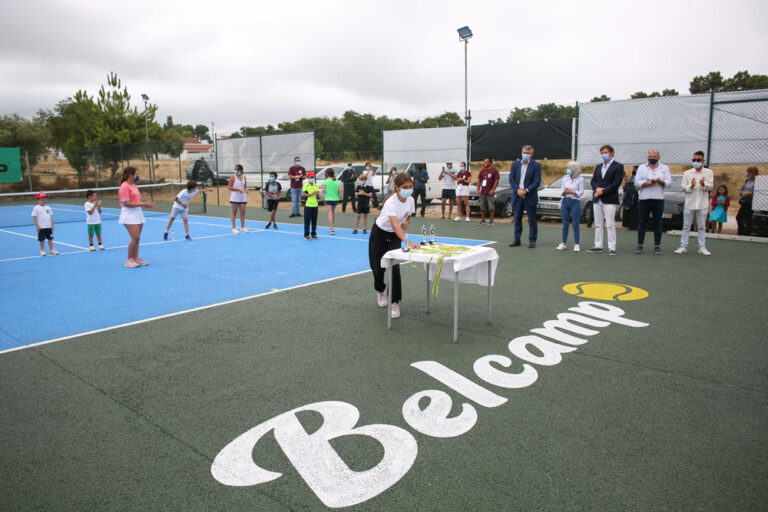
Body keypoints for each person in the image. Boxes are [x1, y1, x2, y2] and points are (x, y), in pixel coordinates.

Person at [369, 173, 420, 319]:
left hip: (394, 236)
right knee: (378, 268)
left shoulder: (411, 200)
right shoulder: (390, 202)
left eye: (410, 187)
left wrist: (407, 222)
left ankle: (394, 302)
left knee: (394, 267)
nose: (408, 190)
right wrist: (408, 241)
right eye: (405, 187)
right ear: (397, 188)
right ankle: (380, 291)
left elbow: (407, 216)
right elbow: (394, 225)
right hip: (379, 233)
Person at [588, 145, 624, 256]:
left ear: (612, 153)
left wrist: (603, 191)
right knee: (598, 224)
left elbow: (616, 183)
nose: (604, 154)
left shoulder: (618, 166)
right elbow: (593, 181)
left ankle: (612, 247)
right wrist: (597, 189)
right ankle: (598, 245)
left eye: (606, 152)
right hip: (597, 199)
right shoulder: (598, 166)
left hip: (609, 199)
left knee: (610, 224)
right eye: (602, 153)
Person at [675, 151, 713, 256]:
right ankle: (683, 246)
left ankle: (702, 247)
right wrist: (691, 186)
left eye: (698, 160)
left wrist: (703, 184)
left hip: (702, 203)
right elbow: (683, 188)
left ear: (703, 161)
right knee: (686, 226)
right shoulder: (687, 173)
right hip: (689, 203)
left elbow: (710, 187)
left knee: (701, 226)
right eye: (694, 160)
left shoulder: (709, 172)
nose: (696, 162)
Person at [634, 150, 670, 255]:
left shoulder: (664, 168)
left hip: (658, 199)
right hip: (644, 199)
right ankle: (640, 245)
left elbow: (668, 183)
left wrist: (660, 181)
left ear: (659, 157)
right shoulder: (641, 168)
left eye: (654, 156)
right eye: (650, 156)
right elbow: (637, 183)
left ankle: (657, 246)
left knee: (657, 222)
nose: (652, 158)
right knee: (642, 222)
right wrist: (648, 183)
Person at [118, 166, 155, 267]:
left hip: (138, 213)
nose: (136, 176)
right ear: (130, 175)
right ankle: (129, 260)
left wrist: (145, 204)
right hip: (129, 214)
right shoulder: (124, 186)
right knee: (135, 237)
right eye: (135, 174)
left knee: (138, 239)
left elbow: (136, 201)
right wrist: (143, 204)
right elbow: (126, 203)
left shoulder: (134, 186)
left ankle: (135, 258)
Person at [509, 145, 542, 247]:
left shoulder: (536, 165)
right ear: (521, 153)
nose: (526, 155)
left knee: (532, 219)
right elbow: (511, 179)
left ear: (531, 154)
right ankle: (517, 239)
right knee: (517, 218)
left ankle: (532, 240)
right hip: (517, 195)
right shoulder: (515, 164)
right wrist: (518, 190)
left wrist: (526, 191)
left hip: (530, 196)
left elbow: (537, 182)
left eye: (528, 153)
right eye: (524, 153)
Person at [556, 161, 584, 252]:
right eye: (568, 168)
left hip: (575, 202)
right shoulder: (565, 178)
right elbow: (561, 191)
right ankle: (564, 243)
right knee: (565, 224)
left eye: (570, 169)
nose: (568, 170)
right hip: (565, 201)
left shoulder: (580, 179)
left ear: (575, 170)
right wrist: (565, 192)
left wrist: (572, 192)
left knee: (575, 224)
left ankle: (576, 244)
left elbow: (581, 192)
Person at [477, 157, 500, 226]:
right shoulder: (482, 171)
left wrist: (493, 189)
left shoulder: (494, 171)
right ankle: (483, 220)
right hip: (483, 192)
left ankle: (491, 221)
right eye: (484, 162)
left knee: (491, 207)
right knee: (483, 207)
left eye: (486, 162)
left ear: (490, 163)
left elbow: (496, 180)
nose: (485, 163)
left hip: (490, 193)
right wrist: (478, 189)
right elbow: (479, 180)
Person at [736, 167, 758, 236]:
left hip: (750, 202)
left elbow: (756, 191)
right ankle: (741, 231)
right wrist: (742, 193)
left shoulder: (757, 181)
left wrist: (748, 193)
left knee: (748, 219)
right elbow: (742, 189)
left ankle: (747, 233)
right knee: (739, 217)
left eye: (748, 172)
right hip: (744, 201)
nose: (747, 173)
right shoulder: (747, 181)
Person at [228, 164, 248, 234]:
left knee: (243, 212)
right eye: (235, 169)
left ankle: (243, 227)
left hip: (243, 197)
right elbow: (229, 187)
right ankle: (234, 228)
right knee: (234, 212)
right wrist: (237, 189)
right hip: (235, 197)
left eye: (237, 169)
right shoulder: (233, 177)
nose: (236, 171)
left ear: (241, 170)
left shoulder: (244, 177)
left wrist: (246, 189)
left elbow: (245, 186)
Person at [322, 169, 341, 234]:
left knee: (330, 213)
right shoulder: (336, 181)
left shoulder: (325, 181)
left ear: (327, 173)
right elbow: (339, 190)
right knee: (332, 213)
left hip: (328, 199)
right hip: (335, 199)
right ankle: (332, 226)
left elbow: (323, 190)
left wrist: (327, 189)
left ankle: (332, 228)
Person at [302, 171, 320, 239]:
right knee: (307, 220)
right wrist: (312, 193)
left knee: (314, 220)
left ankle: (313, 233)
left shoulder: (316, 185)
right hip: (308, 205)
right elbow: (303, 195)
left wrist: (318, 194)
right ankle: (306, 234)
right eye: (310, 177)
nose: (312, 178)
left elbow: (318, 195)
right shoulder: (306, 186)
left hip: (315, 205)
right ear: (308, 178)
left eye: (313, 177)